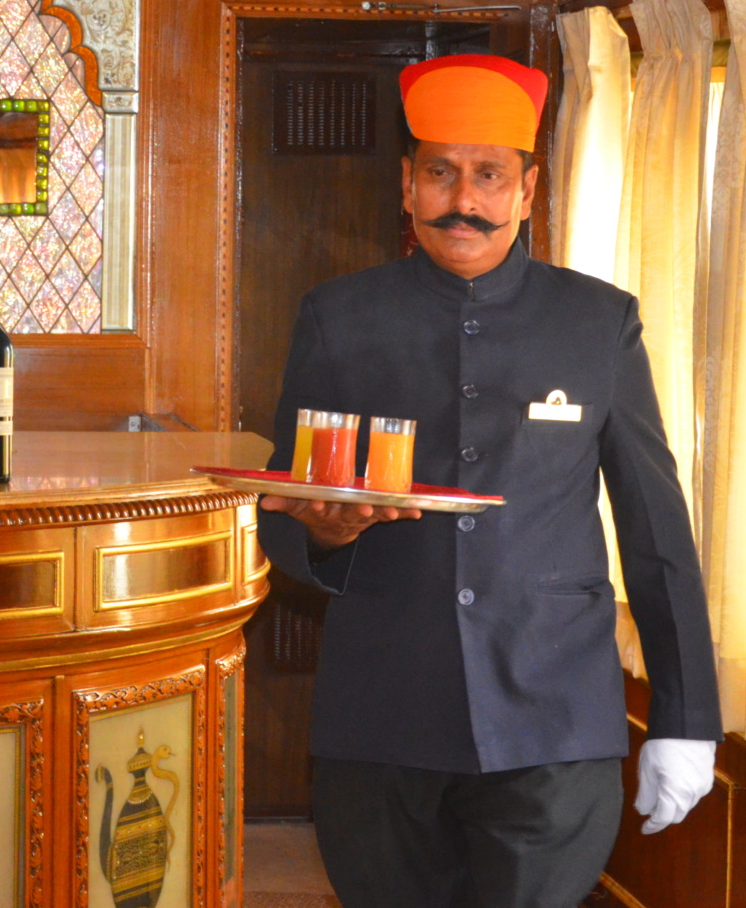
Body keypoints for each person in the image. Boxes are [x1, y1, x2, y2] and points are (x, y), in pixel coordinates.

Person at [259, 53, 721, 908]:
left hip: (553, 721)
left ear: (527, 188)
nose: (462, 199)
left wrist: (687, 719)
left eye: (488, 175)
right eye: (440, 173)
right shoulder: (338, 316)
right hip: (382, 719)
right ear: (407, 184)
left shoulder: (599, 322)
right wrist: (320, 532)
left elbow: (656, 532)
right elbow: (281, 511)